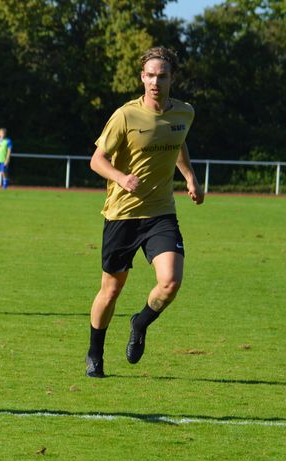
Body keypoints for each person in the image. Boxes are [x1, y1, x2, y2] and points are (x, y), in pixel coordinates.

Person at [85, 46, 204, 378]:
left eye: (162, 76)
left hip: (160, 213)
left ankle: (140, 322)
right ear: (141, 77)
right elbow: (96, 160)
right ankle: (95, 353)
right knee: (111, 289)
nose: (155, 82)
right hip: (122, 215)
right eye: (150, 75)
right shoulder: (125, 115)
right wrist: (121, 177)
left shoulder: (184, 113)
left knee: (170, 282)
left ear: (171, 78)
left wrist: (191, 177)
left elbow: (177, 141)